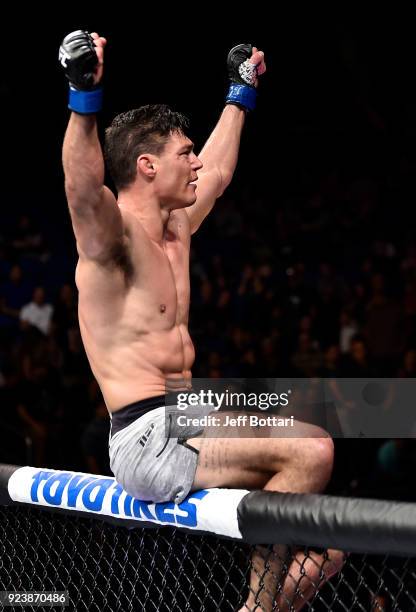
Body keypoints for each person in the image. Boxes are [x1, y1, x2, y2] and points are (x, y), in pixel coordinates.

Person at [59, 30, 343, 611]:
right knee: (311, 450)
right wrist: (84, 96)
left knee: (340, 415)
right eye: (183, 154)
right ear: (146, 165)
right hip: (147, 433)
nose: (195, 162)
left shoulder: (178, 226)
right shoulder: (112, 239)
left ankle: (275, 590)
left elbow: (219, 170)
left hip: (189, 412)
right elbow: (83, 188)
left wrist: (240, 93)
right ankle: (258, 608)